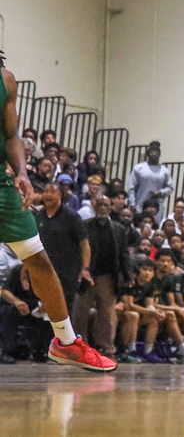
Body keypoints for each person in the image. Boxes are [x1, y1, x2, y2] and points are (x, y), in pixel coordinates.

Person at [0, 55, 114, 369]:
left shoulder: (6, 80)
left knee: (38, 262)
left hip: (2, 186)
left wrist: (22, 172)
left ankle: (66, 343)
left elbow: (10, 136)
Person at [73, 194, 131, 359]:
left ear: (111, 207)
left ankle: (107, 348)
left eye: (106, 205)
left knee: (107, 315)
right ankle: (80, 346)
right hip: (87, 276)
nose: (103, 208)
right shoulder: (84, 226)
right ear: (94, 206)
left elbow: (124, 254)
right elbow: (76, 251)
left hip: (108, 277)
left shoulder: (118, 229)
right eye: (100, 204)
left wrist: (127, 275)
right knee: (80, 313)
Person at [35, 181, 90, 313]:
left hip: (66, 272)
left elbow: (85, 244)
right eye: (46, 192)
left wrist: (85, 268)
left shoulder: (72, 217)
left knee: (63, 310)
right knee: (42, 309)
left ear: (60, 195)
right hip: (44, 270)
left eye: (52, 192)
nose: (48, 195)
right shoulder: (39, 216)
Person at [126, 141, 173, 222]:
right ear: (148, 154)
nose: (154, 154)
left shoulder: (164, 171)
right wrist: (132, 203)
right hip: (140, 204)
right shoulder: (139, 168)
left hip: (157, 206)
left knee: (155, 225)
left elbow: (170, 188)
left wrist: (160, 192)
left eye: (157, 153)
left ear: (159, 155)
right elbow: (131, 186)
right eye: (152, 152)